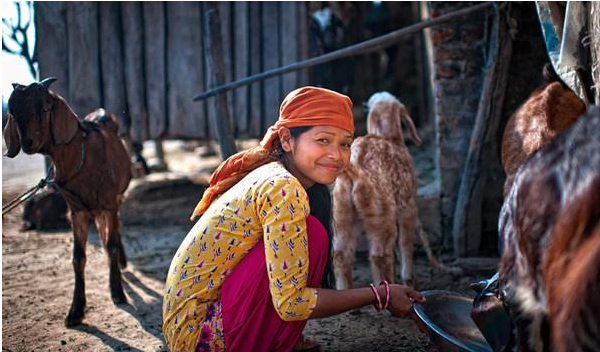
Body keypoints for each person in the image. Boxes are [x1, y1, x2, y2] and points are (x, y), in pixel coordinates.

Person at [162, 86, 425, 352]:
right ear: (286, 139)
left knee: (311, 235)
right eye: (323, 140)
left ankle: (277, 339)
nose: (336, 153)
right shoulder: (283, 188)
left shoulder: (284, 178)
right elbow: (291, 304)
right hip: (199, 337)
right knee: (312, 234)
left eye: (345, 143)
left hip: (196, 324)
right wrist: (380, 293)